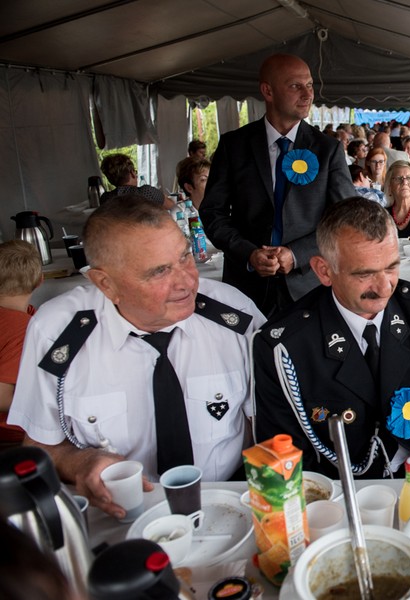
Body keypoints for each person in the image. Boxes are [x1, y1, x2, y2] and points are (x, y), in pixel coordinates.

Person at [8, 196, 265, 519]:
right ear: (105, 283)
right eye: (159, 272)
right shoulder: (57, 331)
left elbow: (267, 427)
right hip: (118, 512)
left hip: (228, 501)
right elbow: (39, 445)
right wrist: (81, 462)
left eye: (184, 256)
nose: (187, 281)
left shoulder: (235, 317)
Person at [253, 197, 410, 478]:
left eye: (392, 267)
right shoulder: (285, 346)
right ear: (324, 271)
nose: (384, 287)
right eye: (365, 274)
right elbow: (289, 455)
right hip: (338, 494)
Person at [200, 53, 356, 316]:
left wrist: (295, 254)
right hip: (245, 287)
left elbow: (344, 219)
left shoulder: (327, 149)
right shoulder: (234, 145)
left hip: (309, 284)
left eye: (309, 85)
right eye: (296, 86)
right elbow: (212, 212)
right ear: (268, 91)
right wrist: (248, 253)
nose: (307, 94)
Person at [0, 241, 42, 450]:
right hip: (11, 435)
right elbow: (1, 397)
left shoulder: (25, 320)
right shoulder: (22, 329)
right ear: (40, 281)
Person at [99, 154, 167, 207]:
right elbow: (172, 206)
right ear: (132, 173)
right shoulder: (147, 192)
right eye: (135, 171)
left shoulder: (105, 199)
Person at [384, 160, 410, 239]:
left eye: (409, 178)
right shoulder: (383, 215)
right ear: (389, 186)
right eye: (398, 178)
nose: (404, 182)